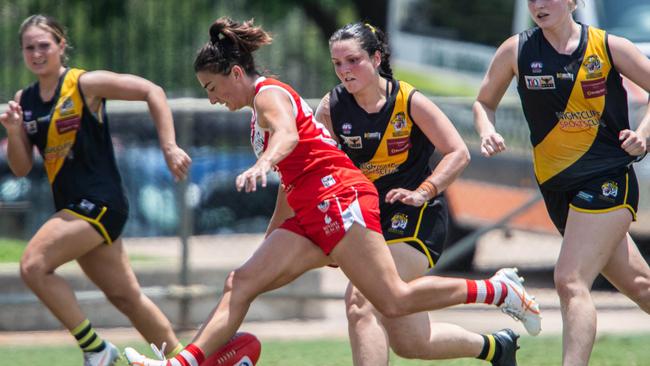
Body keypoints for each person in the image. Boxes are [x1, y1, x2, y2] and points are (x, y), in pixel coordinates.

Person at [123, 17, 541, 366]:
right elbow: (292, 179)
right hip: (316, 210)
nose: (212, 100)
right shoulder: (305, 107)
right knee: (243, 280)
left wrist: (264, 163)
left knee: (386, 300)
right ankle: (181, 363)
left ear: (235, 74)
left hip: (346, 201)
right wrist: (272, 237)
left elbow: (286, 136)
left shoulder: (271, 96)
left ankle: (497, 289)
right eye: (337, 62)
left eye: (212, 88)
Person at [312, 21, 527, 366]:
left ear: (376, 57)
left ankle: (495, 291)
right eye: (338, 64)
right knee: (411, 342)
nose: (345, 71)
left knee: (361, 301)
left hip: (416, 218)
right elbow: (321, 168)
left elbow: (458, 152)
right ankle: (495, 347)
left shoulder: (408, 100)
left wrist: (424, 192)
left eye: (353, 61)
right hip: (369, 222)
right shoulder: (332, 107)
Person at [0, 14, 191, 366]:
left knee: (32, 265)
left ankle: (96, 349)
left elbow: (153, 91)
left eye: (45, 45)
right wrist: (13, 131)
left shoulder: (84, 83)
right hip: (75, 209)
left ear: (61, 46)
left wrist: (169, 146)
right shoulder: (24, 101)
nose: (37, 53)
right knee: (126, 297)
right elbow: (22, 167)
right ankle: (184, 359)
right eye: (29, 47)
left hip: (100, 202)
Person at [473, 1, 650, 365]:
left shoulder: (609, 47)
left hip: (608, 178)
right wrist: (486, 130)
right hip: (557, 187)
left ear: (572, 1)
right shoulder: (517, 50)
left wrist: (644, 134)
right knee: (642, 288)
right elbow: (483, 103)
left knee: (570, 280)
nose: (539, 5)